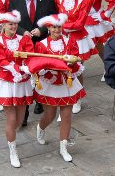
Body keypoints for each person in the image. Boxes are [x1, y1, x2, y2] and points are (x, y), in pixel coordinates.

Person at [34, 13, 86, 162]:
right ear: (49, 28)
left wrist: (72, 63)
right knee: (50, 115)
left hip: (66, 83)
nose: (57, 30)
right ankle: (41, 127)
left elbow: (76, 60)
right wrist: (45, 69)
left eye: (59, 27)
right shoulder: (41, 45)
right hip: (49, 84)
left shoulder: (70, 42)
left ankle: (63, 147)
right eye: (54, 27)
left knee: (67, 115)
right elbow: (37, 64)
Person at [8, 0, 57, 125]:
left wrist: (41, 30)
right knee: (25, 76)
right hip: (23, 44)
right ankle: (24, 113)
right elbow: (11, 20)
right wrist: (23, 32)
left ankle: (40, 101)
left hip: (42, 43)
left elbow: (52, 19)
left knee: (41, 74)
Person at [0, 10, 34, 168]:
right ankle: (13, 150)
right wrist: (17, 68)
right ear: (4, 25)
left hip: (22, 82)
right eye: (10, 24)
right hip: (7, 83)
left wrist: (27, 70)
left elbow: (29, 56)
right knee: (12, 119)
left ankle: (10, 136)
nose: (13, 26)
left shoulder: (24, 39)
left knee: (20, 120)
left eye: (15, 23)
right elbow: (1, 61)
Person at [52, 0, 97, 114]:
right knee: (61, 68)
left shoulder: (85, 0)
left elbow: (79, 24)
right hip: (62, 38)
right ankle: (64, 95)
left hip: (78, 39)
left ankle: (77, 99)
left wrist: (61, 26)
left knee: (76, 69)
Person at [73, 0, 115, 81]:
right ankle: (78, 74)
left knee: (99, 47)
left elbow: (113, 0)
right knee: (81, 48)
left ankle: (108, 67)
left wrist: (104, 15)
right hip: (80, 21)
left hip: (94, 22)